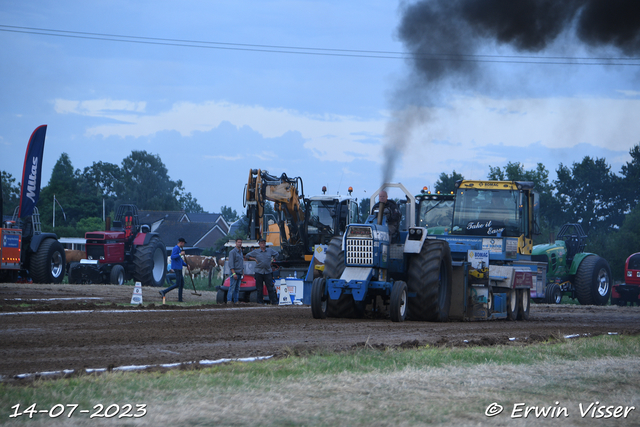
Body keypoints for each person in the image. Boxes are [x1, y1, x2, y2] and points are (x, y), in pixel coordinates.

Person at [246, 238, 279, 305]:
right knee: (259, 288)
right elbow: (247, 255)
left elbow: (277, 254)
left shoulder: (269, 250)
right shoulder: (256, 251)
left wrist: (272, 260)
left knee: (270, 287)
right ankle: (260, 302)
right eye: (261, 243)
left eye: (264, 243)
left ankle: (273, 301)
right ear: (259, 244)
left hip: (267, 271)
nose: (263, 244)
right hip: (259, 271)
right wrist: (254, 259)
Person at [159, 238, 188, 302]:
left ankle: (180, 299)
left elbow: (180, 260)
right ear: (181, 242)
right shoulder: (176, 248)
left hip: (179, 267)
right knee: (178, 284)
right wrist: (181, 254)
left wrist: (186, 265)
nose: (184, 245)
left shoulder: (179, 249)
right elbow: (172, 257)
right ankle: (164, 291)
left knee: (181, 283)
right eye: (183, 243)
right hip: (177, 268)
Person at [227, 238, 245, 304]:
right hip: (235, 272)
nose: (240, 243)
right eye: (238, 242)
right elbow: (231, 264)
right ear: (236, 243)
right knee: (232, 287)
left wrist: (242, 271)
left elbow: (241, 263)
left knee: (237, 288)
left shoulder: (241, 252)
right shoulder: (232, 252)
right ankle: (229, 300)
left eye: (240, 242)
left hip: (240, 272)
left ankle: (236, 301)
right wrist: (233, 273)